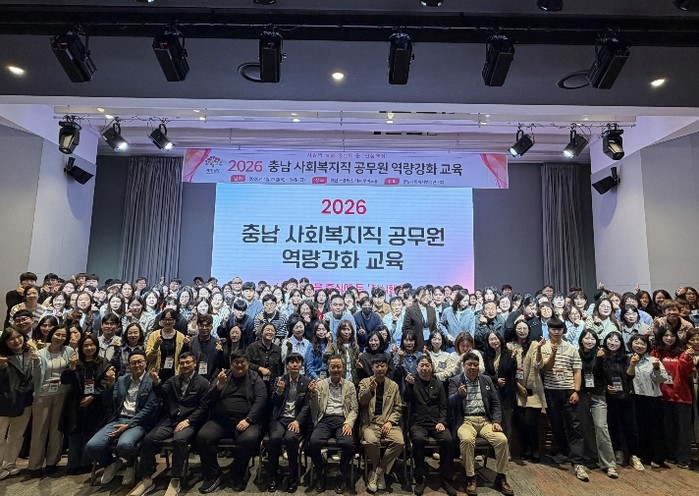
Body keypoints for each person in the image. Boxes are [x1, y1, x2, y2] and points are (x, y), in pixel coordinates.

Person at [130, 352, 210, 496]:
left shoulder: (203, 383)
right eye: (182, 363)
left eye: (188, 362)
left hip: (189, 421)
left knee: (179, 440)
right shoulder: (173, 380)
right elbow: (161, 393)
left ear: (195, 364)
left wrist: (188, 421)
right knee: (149, 439)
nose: (185, 365)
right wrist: (156, 382)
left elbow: (203, 407)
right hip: (170, 419)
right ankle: (146, 478)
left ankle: (175, 479)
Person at [195, 350, 267, 493]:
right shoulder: (222, 376)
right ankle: (213, 475)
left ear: (247, 363)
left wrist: (249, 419)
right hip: (220, 421)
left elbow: (261, 400)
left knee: (248, 439)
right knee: (203, 436)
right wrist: (218, 387)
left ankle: (237, 473)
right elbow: (206, 400)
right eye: (236, 362)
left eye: (242, 362)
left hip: (246, 421)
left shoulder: (255, 378)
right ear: (230, 363)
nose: (239, 365)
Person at [85, 351, 158, 486]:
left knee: (124, 445)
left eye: (140, 362)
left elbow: (149, 409)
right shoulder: (122, 380)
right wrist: (110, 384)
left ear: (146, 363)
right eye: (133, 363)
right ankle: (111, 463)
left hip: (138, 423)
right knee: (92, 446)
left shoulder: (151, 381)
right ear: (128, 365)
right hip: (118, 419)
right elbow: (107, 402)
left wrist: (128, 426)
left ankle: (131, 464)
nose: (136, 365)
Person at [449, 352, 514, 496]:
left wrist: (496, 421)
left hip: (485, 421)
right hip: (466, 421)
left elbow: (496, 402)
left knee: (502, 440)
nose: (472, 367)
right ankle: (470, 477)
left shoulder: (486, 380)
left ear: (479, 366)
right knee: (467, 440)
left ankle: (501, 477)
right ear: (463, 366)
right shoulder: (455, 381)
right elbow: (449, 403)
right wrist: (459, 395)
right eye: (469, 364)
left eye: (475, 364)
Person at [536, 318, 588, 481]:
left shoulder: (572, 348)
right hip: (551, 391)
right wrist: (553, 352)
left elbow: (577, 370)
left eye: (559, 329)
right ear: (549, 330)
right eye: (553, 329)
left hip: (568, 391)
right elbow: (547, 367)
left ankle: (577, 461)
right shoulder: (544, 347)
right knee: (556, 424)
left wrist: (576, 390)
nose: (556, 332)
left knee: (574, 425)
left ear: (563, 331)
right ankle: (564, 453)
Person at [59, 334, 112, 475]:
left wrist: (93, 396)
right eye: (85, 345)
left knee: (89, 432)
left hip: (95, 404)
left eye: (92, 345)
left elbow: (105, 383)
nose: (89, 348)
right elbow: (65, 380)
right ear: (81, 347)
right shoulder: (76, 362)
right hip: (75, 403)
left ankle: (86, 464)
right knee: (74, 433)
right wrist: (71, 367)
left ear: (96, 346)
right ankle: (73, 464)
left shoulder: (103, 363)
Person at [405, 355, 456, 496]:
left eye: (427, 365)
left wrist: (442, 421)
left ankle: (446, 478)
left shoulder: (438, 384)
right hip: (418, 423)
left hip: (436, 422)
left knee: (448, 440)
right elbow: (406, 399)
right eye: (421, 365)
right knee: (418, 440)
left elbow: (444, 406)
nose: (424, 368)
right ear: (417, 368)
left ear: (431, 367)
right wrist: (409, 386)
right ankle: (420, 477)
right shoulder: (412, 382)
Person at [307, 356, 358, 493]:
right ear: (328, 368)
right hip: (325, 419)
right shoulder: (320, 384)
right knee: (313, 443)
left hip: (342, 420)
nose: (336, 369)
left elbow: (354, 409)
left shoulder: (350, 385)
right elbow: (314, 408)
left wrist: (349, 423)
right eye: (333, 367)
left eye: (338, 367)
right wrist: (313, 394)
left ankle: (341, 473)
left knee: (349, 444)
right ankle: (320, 472)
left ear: (343, 368)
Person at [28, 324, 74, 475]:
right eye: (57, 334)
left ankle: (52, 462)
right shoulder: (40, 353)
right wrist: (35, 362)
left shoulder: (69, 351)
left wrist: (73, 365)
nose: (60, 338)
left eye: (63, 335)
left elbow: (71, 373)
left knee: (57, 430)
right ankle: (35, 465)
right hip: (43, 395)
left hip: (62, 394)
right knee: (39, 430)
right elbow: (35, 376)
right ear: (51, 334)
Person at [650, 324, 696, 468]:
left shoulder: (682, 352)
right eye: (666, 335)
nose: (669, 338)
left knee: (683, 430)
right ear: (661, 337)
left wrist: (686, 359)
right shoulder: (656, 352)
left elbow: (690, 372)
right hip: (662, 396)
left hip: (682, 396)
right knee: (667, 428)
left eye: (672, 336)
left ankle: (684, 459)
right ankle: (671, 455)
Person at [358, 355, 404, 493]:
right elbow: (361, 401)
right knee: (371, 441)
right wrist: (370, 390)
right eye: (377, 366)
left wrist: (390, 422)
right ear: (372, 368)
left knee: (399, 442)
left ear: (386, 367)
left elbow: (398, 408)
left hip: (388, 423)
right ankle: (379, 473)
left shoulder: (393, 385)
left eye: (382, 365)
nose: (380, 368)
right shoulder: (365, 382)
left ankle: (377, 471)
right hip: (370, 424)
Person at [576, 330, 618, 479]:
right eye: (586, 338)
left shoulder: (602, 354)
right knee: (585, 427)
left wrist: (601, 360)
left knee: (601, 426)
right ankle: (590, 458)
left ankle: (609, 464)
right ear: (581, 340)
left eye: (592, 338)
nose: (590, 341)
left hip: (598, 395)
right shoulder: (576, 354)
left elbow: (607, 374)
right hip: (582, 395)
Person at [267, 352, 311, 493]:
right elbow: (273, 403)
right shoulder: (280, 380)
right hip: (280, 418)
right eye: (292, 362)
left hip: (296, 419)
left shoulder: (306, 382)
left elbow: (307, 406)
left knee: (290, 439)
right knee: (275, 438)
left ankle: (293, 476)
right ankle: (273, 475)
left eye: (298, 362)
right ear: (287, 365)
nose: (295, 364)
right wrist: (279, 392)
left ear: (302, 365)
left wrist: (298, 421)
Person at [627, 334, 670, 468]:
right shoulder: (626, 359)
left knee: (655, 428)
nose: (639, 346)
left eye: (642, 343)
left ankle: (658, 457)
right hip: (635, 397)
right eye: (636, 342)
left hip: (652, 398)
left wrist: (656, 368)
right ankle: (642, 455)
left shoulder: (653, 360)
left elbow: (663, 379)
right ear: (631, 343)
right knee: (639, 428)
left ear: (647, 346)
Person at [508, 319, 545, 462]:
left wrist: (540, 349)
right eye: (519, 328)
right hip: (517, 389)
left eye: (525, 328)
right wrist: (518, 385)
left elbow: (538, 364)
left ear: (529, 330)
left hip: (533, 389)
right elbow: (508, 369)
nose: (522, 331)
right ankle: (526, 449)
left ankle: (535, 450)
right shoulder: (510, 346)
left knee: (531, 421)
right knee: (521, 422)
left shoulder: (535, 345)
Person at [0, 329, 34, 481]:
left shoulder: (30, 353)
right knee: (0, 437)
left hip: (24, 401)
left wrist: (26, 390)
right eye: (11, 339)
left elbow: (34, 376)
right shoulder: (2, 356)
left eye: (19, 336)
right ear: (5, 342)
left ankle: (10, 463)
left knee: (17, 435)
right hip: (4, 401)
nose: (16, 341)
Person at [145, 308, 189, 384]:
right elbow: (149, 358)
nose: (167, 322)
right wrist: (156, 346)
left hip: (174, 374)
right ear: (161, 321)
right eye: (165, 319)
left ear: (175, 321)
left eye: (170, 319)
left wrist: (186, 345)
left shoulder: (181, 337)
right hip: (156, 374)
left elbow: (182, 358)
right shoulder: (154, 335)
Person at [402, 286, 438, 351]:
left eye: (428, 295)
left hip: (430, 345)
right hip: (416, 345)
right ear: (417, 296)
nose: (426, 297)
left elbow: (434, 328)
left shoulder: (432, 310)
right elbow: (406, 329)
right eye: (424, 295)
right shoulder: (410, 310)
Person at [189, 314, 223, 381]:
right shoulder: (191, 342)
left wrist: (212, 380)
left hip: (211, 379)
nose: (204, 328)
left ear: (211, 327)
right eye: (201, 326)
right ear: (198, 326)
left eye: (207, 326)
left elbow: (219, 366)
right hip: (192, 379)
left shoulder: (217, 343)